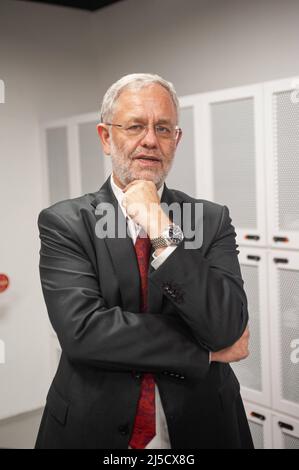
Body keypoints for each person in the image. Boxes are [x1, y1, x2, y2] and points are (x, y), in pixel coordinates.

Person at [35, 73, 253, 449]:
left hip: (203, 424)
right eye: (135, 125)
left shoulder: (210, 219)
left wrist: (159, 225)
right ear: (106, 137)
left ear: (176, 140)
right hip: (95, 425)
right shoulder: (66, 222)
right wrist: (203, 351)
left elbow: (227, 326)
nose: (150, 140)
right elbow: (84, 333)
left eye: (164, 128)